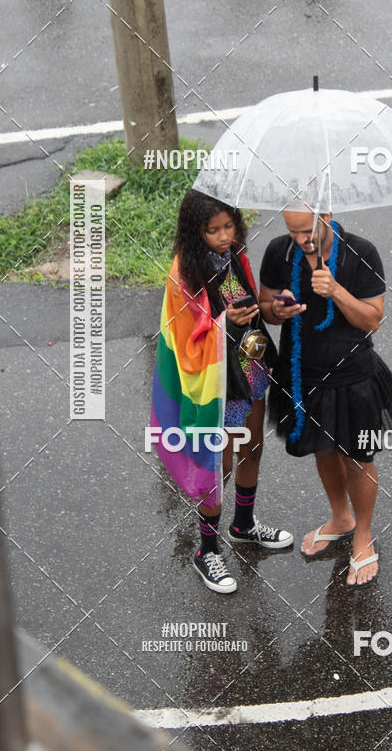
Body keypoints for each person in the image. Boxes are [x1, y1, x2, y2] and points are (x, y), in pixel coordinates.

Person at [150, 189, 293, 594]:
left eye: (229, 226)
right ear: (195, 233)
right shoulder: (184, 275)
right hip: (218, 380)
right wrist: (225, 321)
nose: (224, 235)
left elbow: (250, 306)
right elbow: (186, 336)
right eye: (213, 230)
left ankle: (244, 524)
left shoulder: (236, 255)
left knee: (254, 447)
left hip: (252, 366)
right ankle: (206, 550)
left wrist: (271, 309)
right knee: (218, 464)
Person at [259, 212, 392, 587]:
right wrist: (278, 309)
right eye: (293, 231)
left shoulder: (361, 252)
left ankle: (363, 534)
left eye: (308, 230)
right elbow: (266, 310)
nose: (301, 238)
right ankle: (341, 517)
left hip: (352, 374)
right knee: (324, 448)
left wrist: (336, 290)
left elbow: (372, 319)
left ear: (327, 216)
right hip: (301, 372)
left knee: (358, 456)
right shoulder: (279, 252)